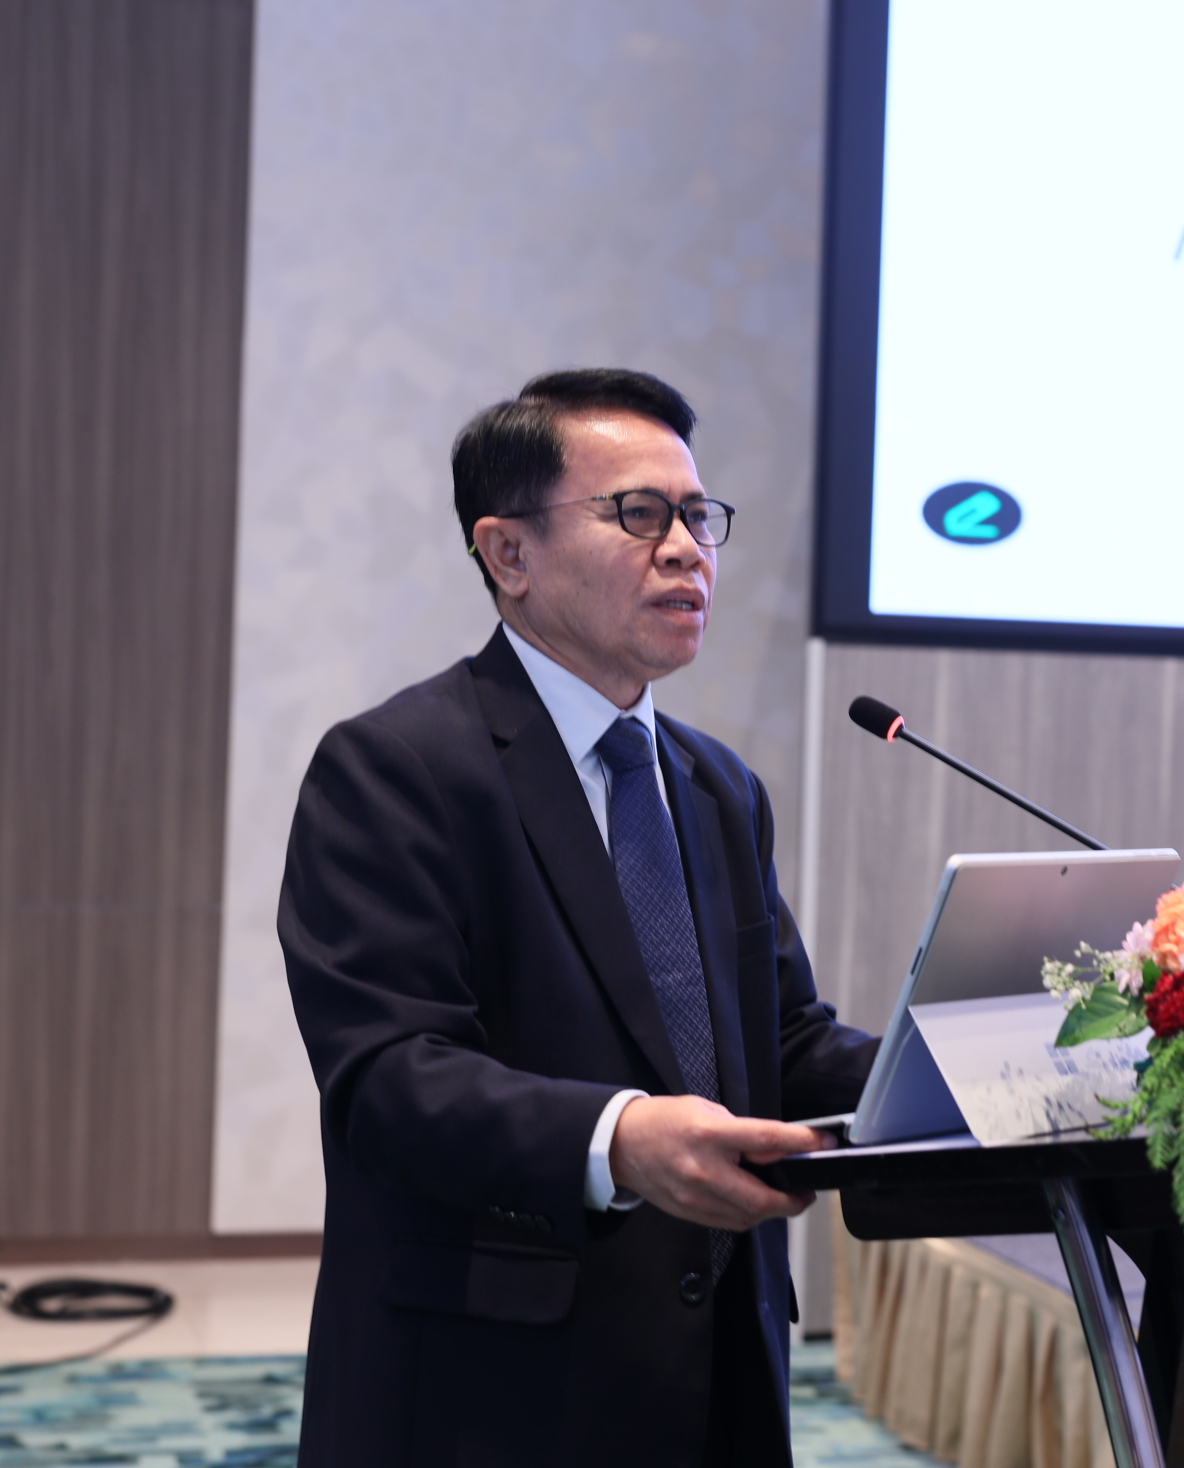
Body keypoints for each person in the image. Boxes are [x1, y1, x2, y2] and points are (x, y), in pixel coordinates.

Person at [279, 368, 877, 1466]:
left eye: (698, 515)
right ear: (508, 553)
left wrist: (954, 1072)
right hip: (495, 1387)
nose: (687, 550)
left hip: (720, 1370)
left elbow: (781, 1043)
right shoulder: (397, 768)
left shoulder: (717, 785)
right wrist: (619, 1139)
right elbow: (389, 1080)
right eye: (638, 514)